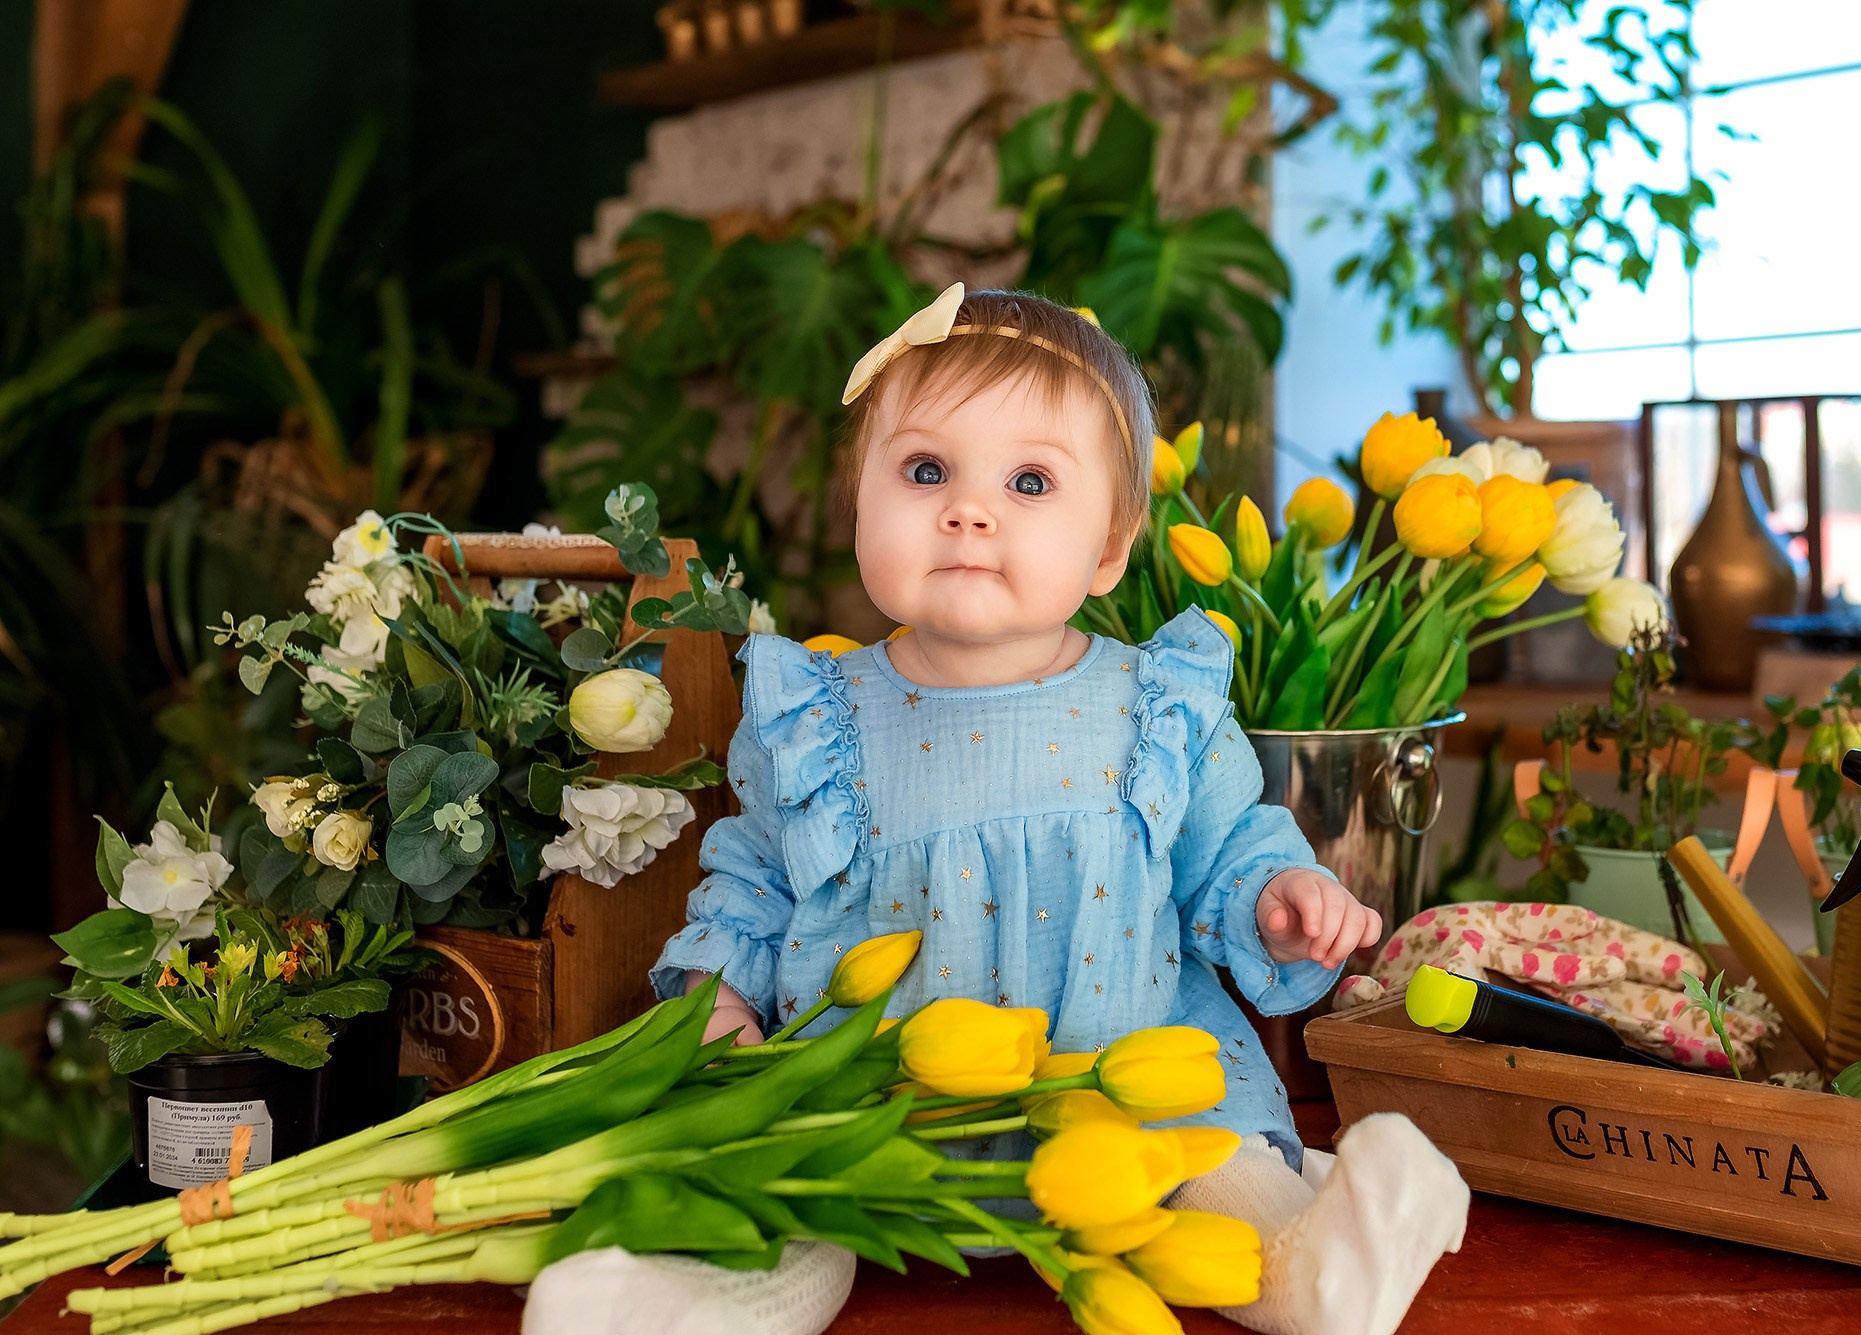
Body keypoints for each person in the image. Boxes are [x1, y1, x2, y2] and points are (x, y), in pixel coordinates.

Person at [526, 285, 1468, 1335]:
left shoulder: (1154, 705)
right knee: (788, 1205)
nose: (967, 510)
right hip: (869, 1098)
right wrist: (720, 997)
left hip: (1129, 1085)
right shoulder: (818, 717)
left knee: (1215, 1196)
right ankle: (670, 1299)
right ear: (859, 509)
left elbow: (1224, 853)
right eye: (925, 470)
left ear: (1108, 548)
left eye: (1028, 481)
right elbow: (754, 877)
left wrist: (1281, 895)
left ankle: (1328, 1267)